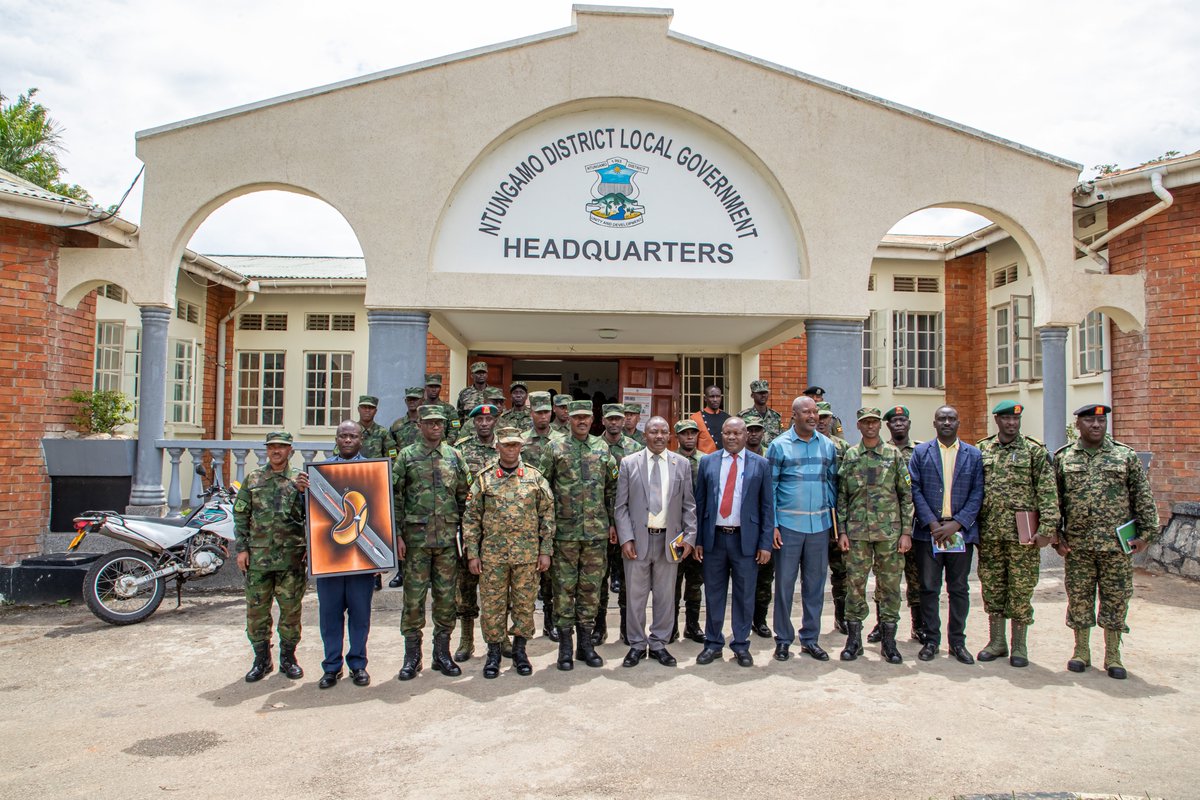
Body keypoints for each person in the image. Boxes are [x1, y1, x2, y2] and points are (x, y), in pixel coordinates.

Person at [1054, 403, 1158, 679]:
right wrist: (1057, 536)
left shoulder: (1125, 457)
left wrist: (1146, 535)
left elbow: (1143, 498)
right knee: (1079, 597)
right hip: (1078, 546)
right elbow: (1054, 502)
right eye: (1090, 421)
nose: (1097, 425)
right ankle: (1081, 651)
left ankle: (1113, 655)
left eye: (1101, 421)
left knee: (1116, 598)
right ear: (1078, 425)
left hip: (1115, 546)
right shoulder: (1064, 458)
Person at [462, 426, 555, 678]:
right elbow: (471, 518)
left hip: (527, 556)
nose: (511, 449)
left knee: (524, 605)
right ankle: (493, 653)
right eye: (506, 444)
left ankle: (520, 651)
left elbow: (547, 515)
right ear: (497, 447)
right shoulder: (484, 478)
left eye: (515, 444)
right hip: (492, 557)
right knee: (493, 606)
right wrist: (473, 553)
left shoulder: (535, 478)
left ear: (521, 446)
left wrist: (545, 551)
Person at [976, 400, 1060, 667]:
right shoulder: (982, 449)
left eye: (1015, 419)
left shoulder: (1033, 451)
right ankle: (997, 641)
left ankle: (1020, 646)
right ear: (997, 420)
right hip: (990, 532)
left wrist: (1047, 529)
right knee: (992, 586)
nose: (1011, 423)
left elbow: (1047, 492)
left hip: (1023, 536)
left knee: (1021, 588)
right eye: (1006, 419)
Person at [392, 405, 471, 680]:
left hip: (448, 541)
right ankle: (412, 657)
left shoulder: (454, 456)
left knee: (446, 599)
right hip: (416, 541)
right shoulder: (407, 456)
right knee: (413, 599)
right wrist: (398, 536)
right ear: (420, 425)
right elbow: (395, 497)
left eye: (439, 423)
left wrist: (468, 537)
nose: (436, 427)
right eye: (430, 423)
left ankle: (442, 653)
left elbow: (465, 498)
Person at [542, 399, 618, 670]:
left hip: (596, 533)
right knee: (563, 589)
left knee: (590, 589)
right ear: (569, 419)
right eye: (577, 417)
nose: (582, 421)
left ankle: (585, 645)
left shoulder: (602, 447)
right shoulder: (554, 447)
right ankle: (565, 647)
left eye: (586, 417)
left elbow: (611, 489)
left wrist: (612, 523)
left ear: (593, 418)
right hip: (565, 534)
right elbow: (545, 491)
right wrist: (547, 532)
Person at [615, 416, 697, 667]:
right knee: (635, 597)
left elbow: (689, 505)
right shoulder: (629, 463)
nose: (659, 436)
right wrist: (626, 538)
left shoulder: (681, 464)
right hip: (638, 541)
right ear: (645, 435)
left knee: (665, 596)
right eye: (654, 432)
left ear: (669, 435)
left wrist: (690, 538)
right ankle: (637, 644)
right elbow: (621, 506)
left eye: (663, 432)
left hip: (668, 541)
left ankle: (659, 643)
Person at [694, 417, 774, 667]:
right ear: (722, 434)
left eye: (736, 433)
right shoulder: (708, 462)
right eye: (727, 433)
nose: (731, 437)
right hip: (715, 539)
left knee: (744, 595)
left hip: (745, 541)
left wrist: (765, 543)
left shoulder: (760, 464)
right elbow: (700, 504)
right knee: (714, 594)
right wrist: (697, 540)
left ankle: (741, 644)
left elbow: (766, 507)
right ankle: (713, 643)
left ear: (745, 434)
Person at [835, 408, 913, 664]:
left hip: (889, 534)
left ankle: (889, 643)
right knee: (854, 586)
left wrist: (906, 532)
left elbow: (905, 495)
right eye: (865, 422)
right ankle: (853, 641)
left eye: (874, 422)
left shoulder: (893, 455)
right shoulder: (851, 455)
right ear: (858, 426)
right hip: (857, 534)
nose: (870, 426)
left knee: (889, 587)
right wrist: (842, 531)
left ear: (880, 426)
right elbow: (843, 496)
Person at [909, 405, 984, 664]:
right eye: (942, 418)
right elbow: (915, 489)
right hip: (928, 533)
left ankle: (957, 642)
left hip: (960, 533)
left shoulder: (974, 455)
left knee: (959, 589)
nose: (947, 422)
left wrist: (958, 524)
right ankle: (931, 640)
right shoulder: (920, 453)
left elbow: (978, 493)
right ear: (934, 423)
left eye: (952, 418)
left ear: (959, 422)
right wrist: (931, 523)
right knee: (929, 588)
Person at [766, 396, 839, 661]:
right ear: (794, 415)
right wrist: (772, 525)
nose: (812, 416)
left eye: (815, 411)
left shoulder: (828, 447)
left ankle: (810, 638)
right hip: (788, 527)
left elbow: (832, 488)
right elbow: (770, 490)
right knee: (785, 585)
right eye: (806, 412)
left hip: (819, 527)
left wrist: (834, 527)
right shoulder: (778, 446)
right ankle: (783, 639)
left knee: (815, 585)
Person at [233, 431, 309, 682]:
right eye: (272, 447)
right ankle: (262, 659)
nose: (276, 451)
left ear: (291, 451)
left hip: (291, 558)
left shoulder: (300, 480)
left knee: (290, 611)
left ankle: (288, 658)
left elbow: (314, 516)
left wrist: (302, 493)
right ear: (266, 450)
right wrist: (242, 549)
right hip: (259, 559)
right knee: (256, 612)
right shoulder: (253, 479)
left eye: (282, 447)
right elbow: (241, 515)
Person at [315, 421, 376, 688]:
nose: (348, 439)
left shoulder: (373, 473)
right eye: (343, 435)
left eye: (353, 436)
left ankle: (358, 664)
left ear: (361, 440)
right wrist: (303, 488)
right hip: (330, 557)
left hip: (361, 558)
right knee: (330, 616)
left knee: (360, 615)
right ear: (336, 439)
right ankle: (331, 667)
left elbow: (381, 514)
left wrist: (380, 555)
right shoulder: (320, 473)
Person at [451, 402, 501, 662]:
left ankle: (500, 638)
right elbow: (457, 487)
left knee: (500, 586)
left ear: (495, 422)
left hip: (498, 529)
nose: (484, 424)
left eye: (489, 420)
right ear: (473, 422)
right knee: (466, 585)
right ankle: (467, 640)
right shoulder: (461, 449)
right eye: (479, 420)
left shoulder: (505, 447)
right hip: (469, 526)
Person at [873, 405, 923, 644]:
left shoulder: (921, 452)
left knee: (916, 579)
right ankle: (880, 624)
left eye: (903, 420)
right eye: (894, 421)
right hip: (887, 528)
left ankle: (918, 625)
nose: (899, 424)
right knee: (884, 579)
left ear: (909, 424)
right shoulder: (881, 452)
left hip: (916, 526)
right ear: (888, 426)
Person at [596, 402, 644, 644]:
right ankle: (599, 627)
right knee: (599, 579)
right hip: (600, 524)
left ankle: (627, 627)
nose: (615, 422)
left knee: (628, 579)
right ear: (603, 420)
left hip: (630, 525)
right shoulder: (594, 447)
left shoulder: (636, 448)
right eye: (610, 419)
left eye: (619, 418)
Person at [521, 391, 560, 641]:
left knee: (552, 573)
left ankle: (550, 620)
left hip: (556, 516)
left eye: (547, 411)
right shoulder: (522, 442)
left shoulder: (562, 440)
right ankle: (523, 624)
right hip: (527, 516)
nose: (543, 416)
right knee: (527, 573)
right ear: (531, 413)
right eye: (539, 412)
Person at [817, 401, 851, 635]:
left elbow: (847, 485)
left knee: (842, 570)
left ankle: (841, 617)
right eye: (818, 416)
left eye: (825, 417)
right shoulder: (807, 445)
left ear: (831, 419)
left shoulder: (844, 447)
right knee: (814, 572)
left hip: (837, 518)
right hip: (815, 517)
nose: (821, 421)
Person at [672, 418, 705, 643]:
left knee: (695, 583)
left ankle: (692, 626)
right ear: (678, 437)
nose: (689, 437)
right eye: (685, 434)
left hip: (699, 531)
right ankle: (670, 627)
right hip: (675, 532)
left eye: (693, 433)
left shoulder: (706, 461)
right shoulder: (670, 461)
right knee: (672, 583)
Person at [742, 411, 773, 638]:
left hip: (764, 527)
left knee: (764, 578)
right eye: (749, 430)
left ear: (764, 432)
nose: (753, 434)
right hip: (741, 531)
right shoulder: (735, 457)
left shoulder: (770, 457)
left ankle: (759, 619)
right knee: (743, 581)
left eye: (757, 430)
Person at [738, 379, 782, 446]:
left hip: (770, 455)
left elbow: (780, 439)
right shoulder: (743, 416)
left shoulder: (775, 416)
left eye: (765, 393)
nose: (763, 395)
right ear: (752, 395)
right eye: (760, 393)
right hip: (751, 454)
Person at [689, 385, 728, 454]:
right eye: (712, 396)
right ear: (705, 398)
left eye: (718, 396)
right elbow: (690, 445)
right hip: (704, 461)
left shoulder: (728, 418)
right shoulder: (695, 418)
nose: (715, 399)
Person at [356, 395, 397, 460]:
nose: (367, 410)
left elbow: (392, 457)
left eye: (371, 408)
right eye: (364, 407)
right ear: (358, 409)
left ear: (375, 411)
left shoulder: (383, 432)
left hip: (377, 469)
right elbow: (339, 455)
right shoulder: (351, 431)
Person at [422, 373, 461, 438]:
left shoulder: (449, 409)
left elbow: (455, 427)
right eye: (431, 386)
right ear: (425, 388)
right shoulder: (420, 408)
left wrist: (445, 445)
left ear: (440, 388)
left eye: (436, 387)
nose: (434, 390)